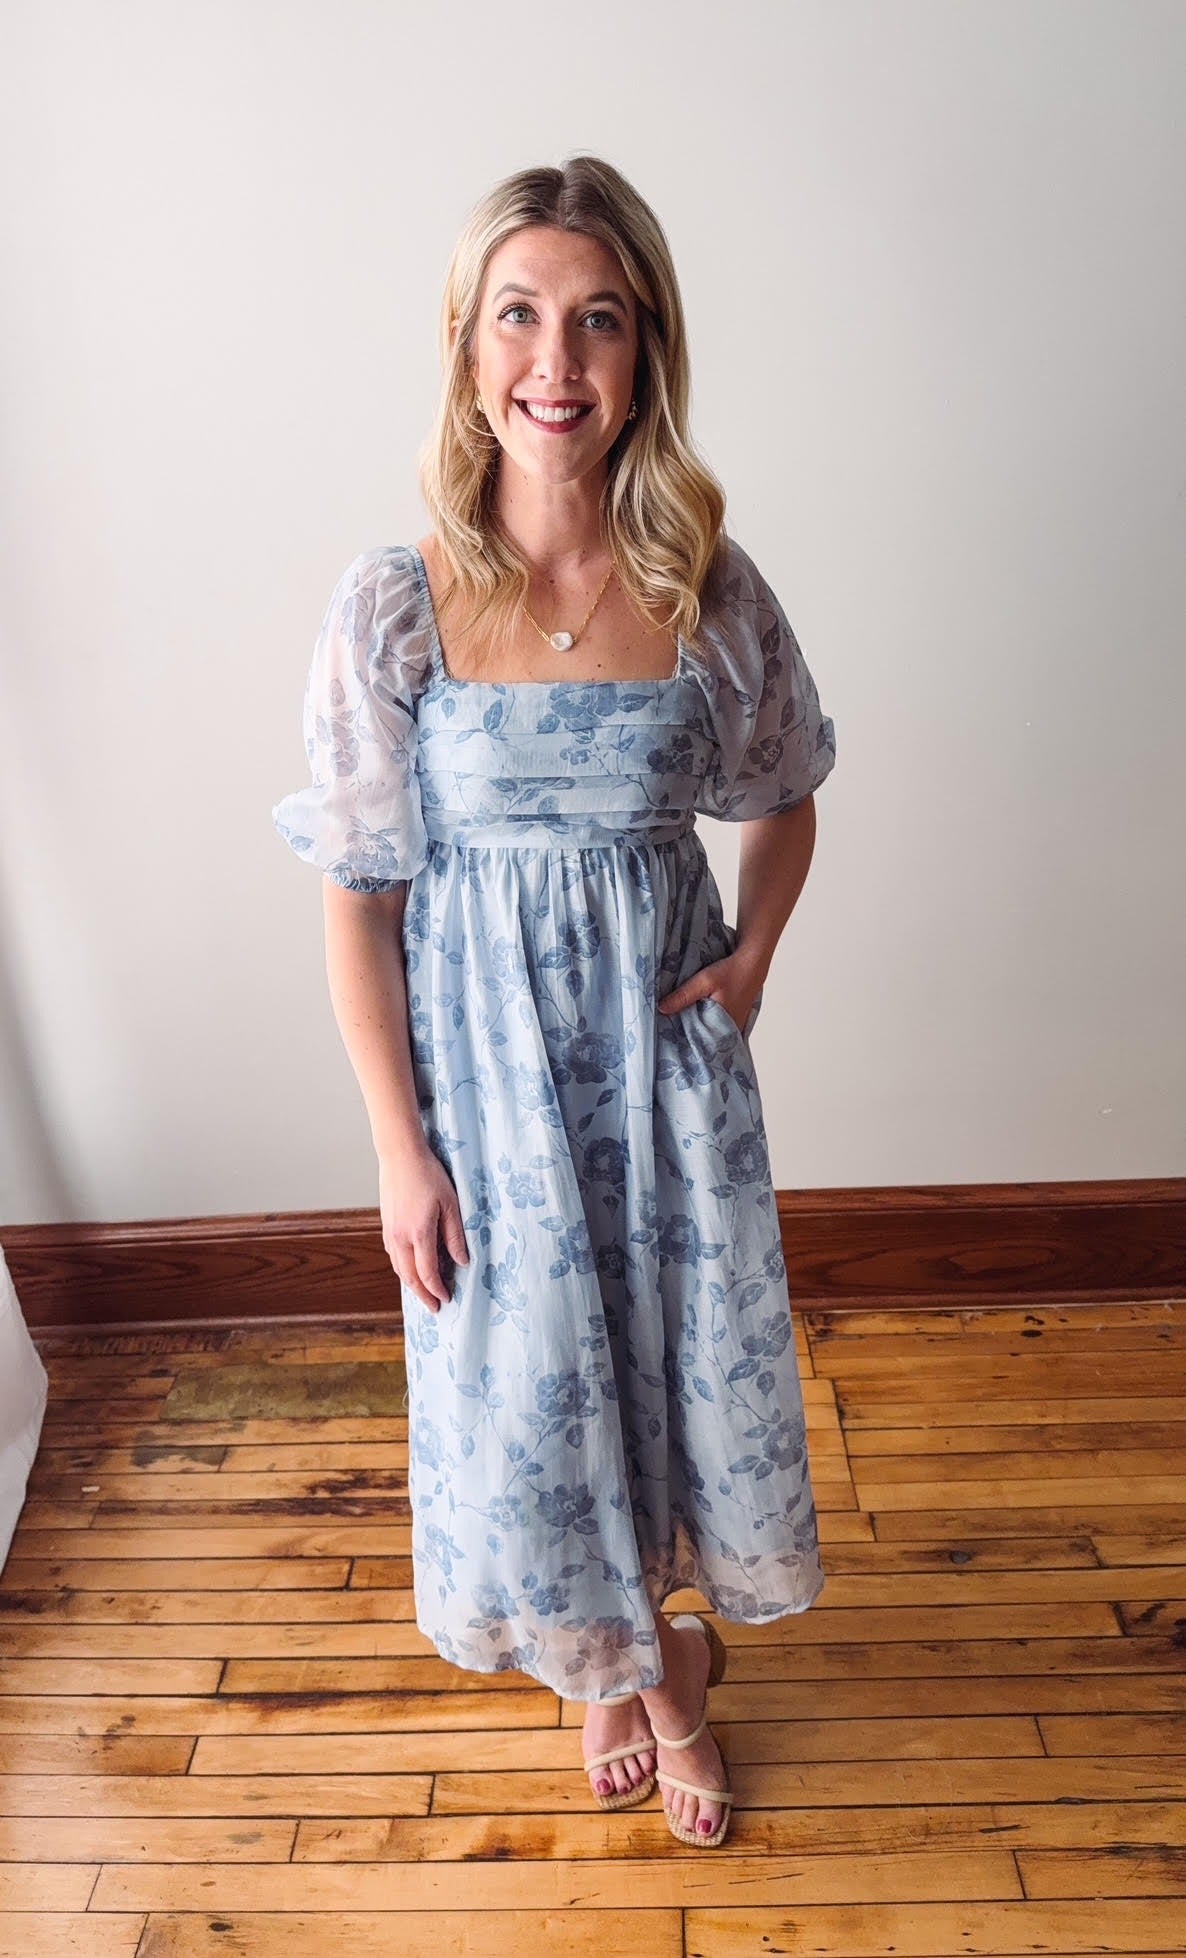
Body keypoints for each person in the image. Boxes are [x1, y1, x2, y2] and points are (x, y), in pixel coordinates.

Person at [272, 154, 836, 1851]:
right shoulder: (393, 605)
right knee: (528, 1391)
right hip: (486, 1104)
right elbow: (357, 906)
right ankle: (638, 1664)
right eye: (518, 315)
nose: (556, 361)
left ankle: (651, 1660)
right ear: (464, 344)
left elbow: (787, 791)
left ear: (644, 349)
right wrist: (397, 1148)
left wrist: (750, 959)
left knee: (666, 1371)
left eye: (597, 320)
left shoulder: (706, 587)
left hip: (663, 1082)